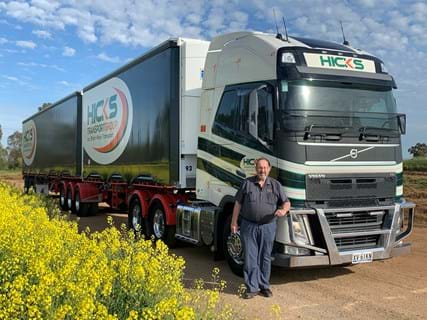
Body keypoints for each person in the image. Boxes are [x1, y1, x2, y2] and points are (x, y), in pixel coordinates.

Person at [231, 157, 290, 299]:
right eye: (260, 168)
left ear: (269, 169)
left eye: (265, 168)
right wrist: (234, 223)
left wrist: (283, 210)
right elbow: (238, 204)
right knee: (250, 257)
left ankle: (264, 286)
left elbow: (287, 202)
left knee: (265, 257)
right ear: (256, 169)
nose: (262, 170)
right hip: (249, 225)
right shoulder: (247, 184)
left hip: (268, 227)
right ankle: (252, 288)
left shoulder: (276, 185)